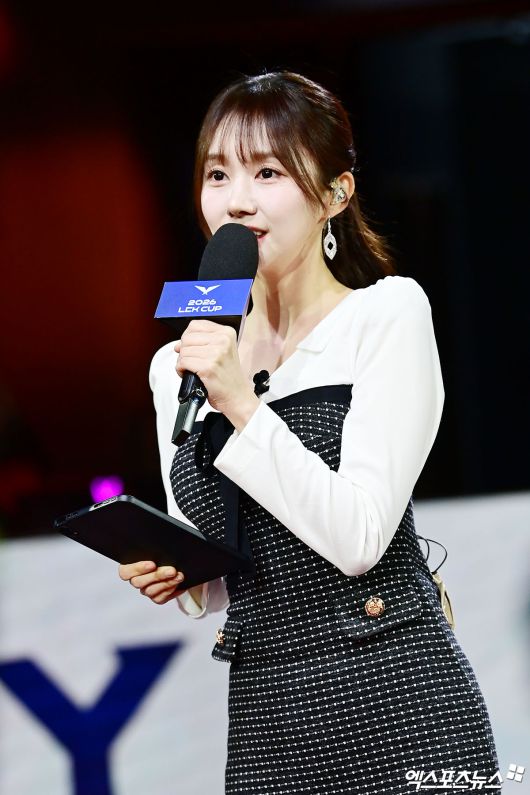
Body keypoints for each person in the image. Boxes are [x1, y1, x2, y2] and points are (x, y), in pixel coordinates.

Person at [119, 71, 500, 793]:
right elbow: (224, 567)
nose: (237, 200)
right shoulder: (180, 364)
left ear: (335, 194)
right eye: (218, 174)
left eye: (268, 172)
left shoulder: (385, 316)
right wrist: (181, 571)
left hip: (399, 701)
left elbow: (358, 539)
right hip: (267, 717)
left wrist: (242, 404)